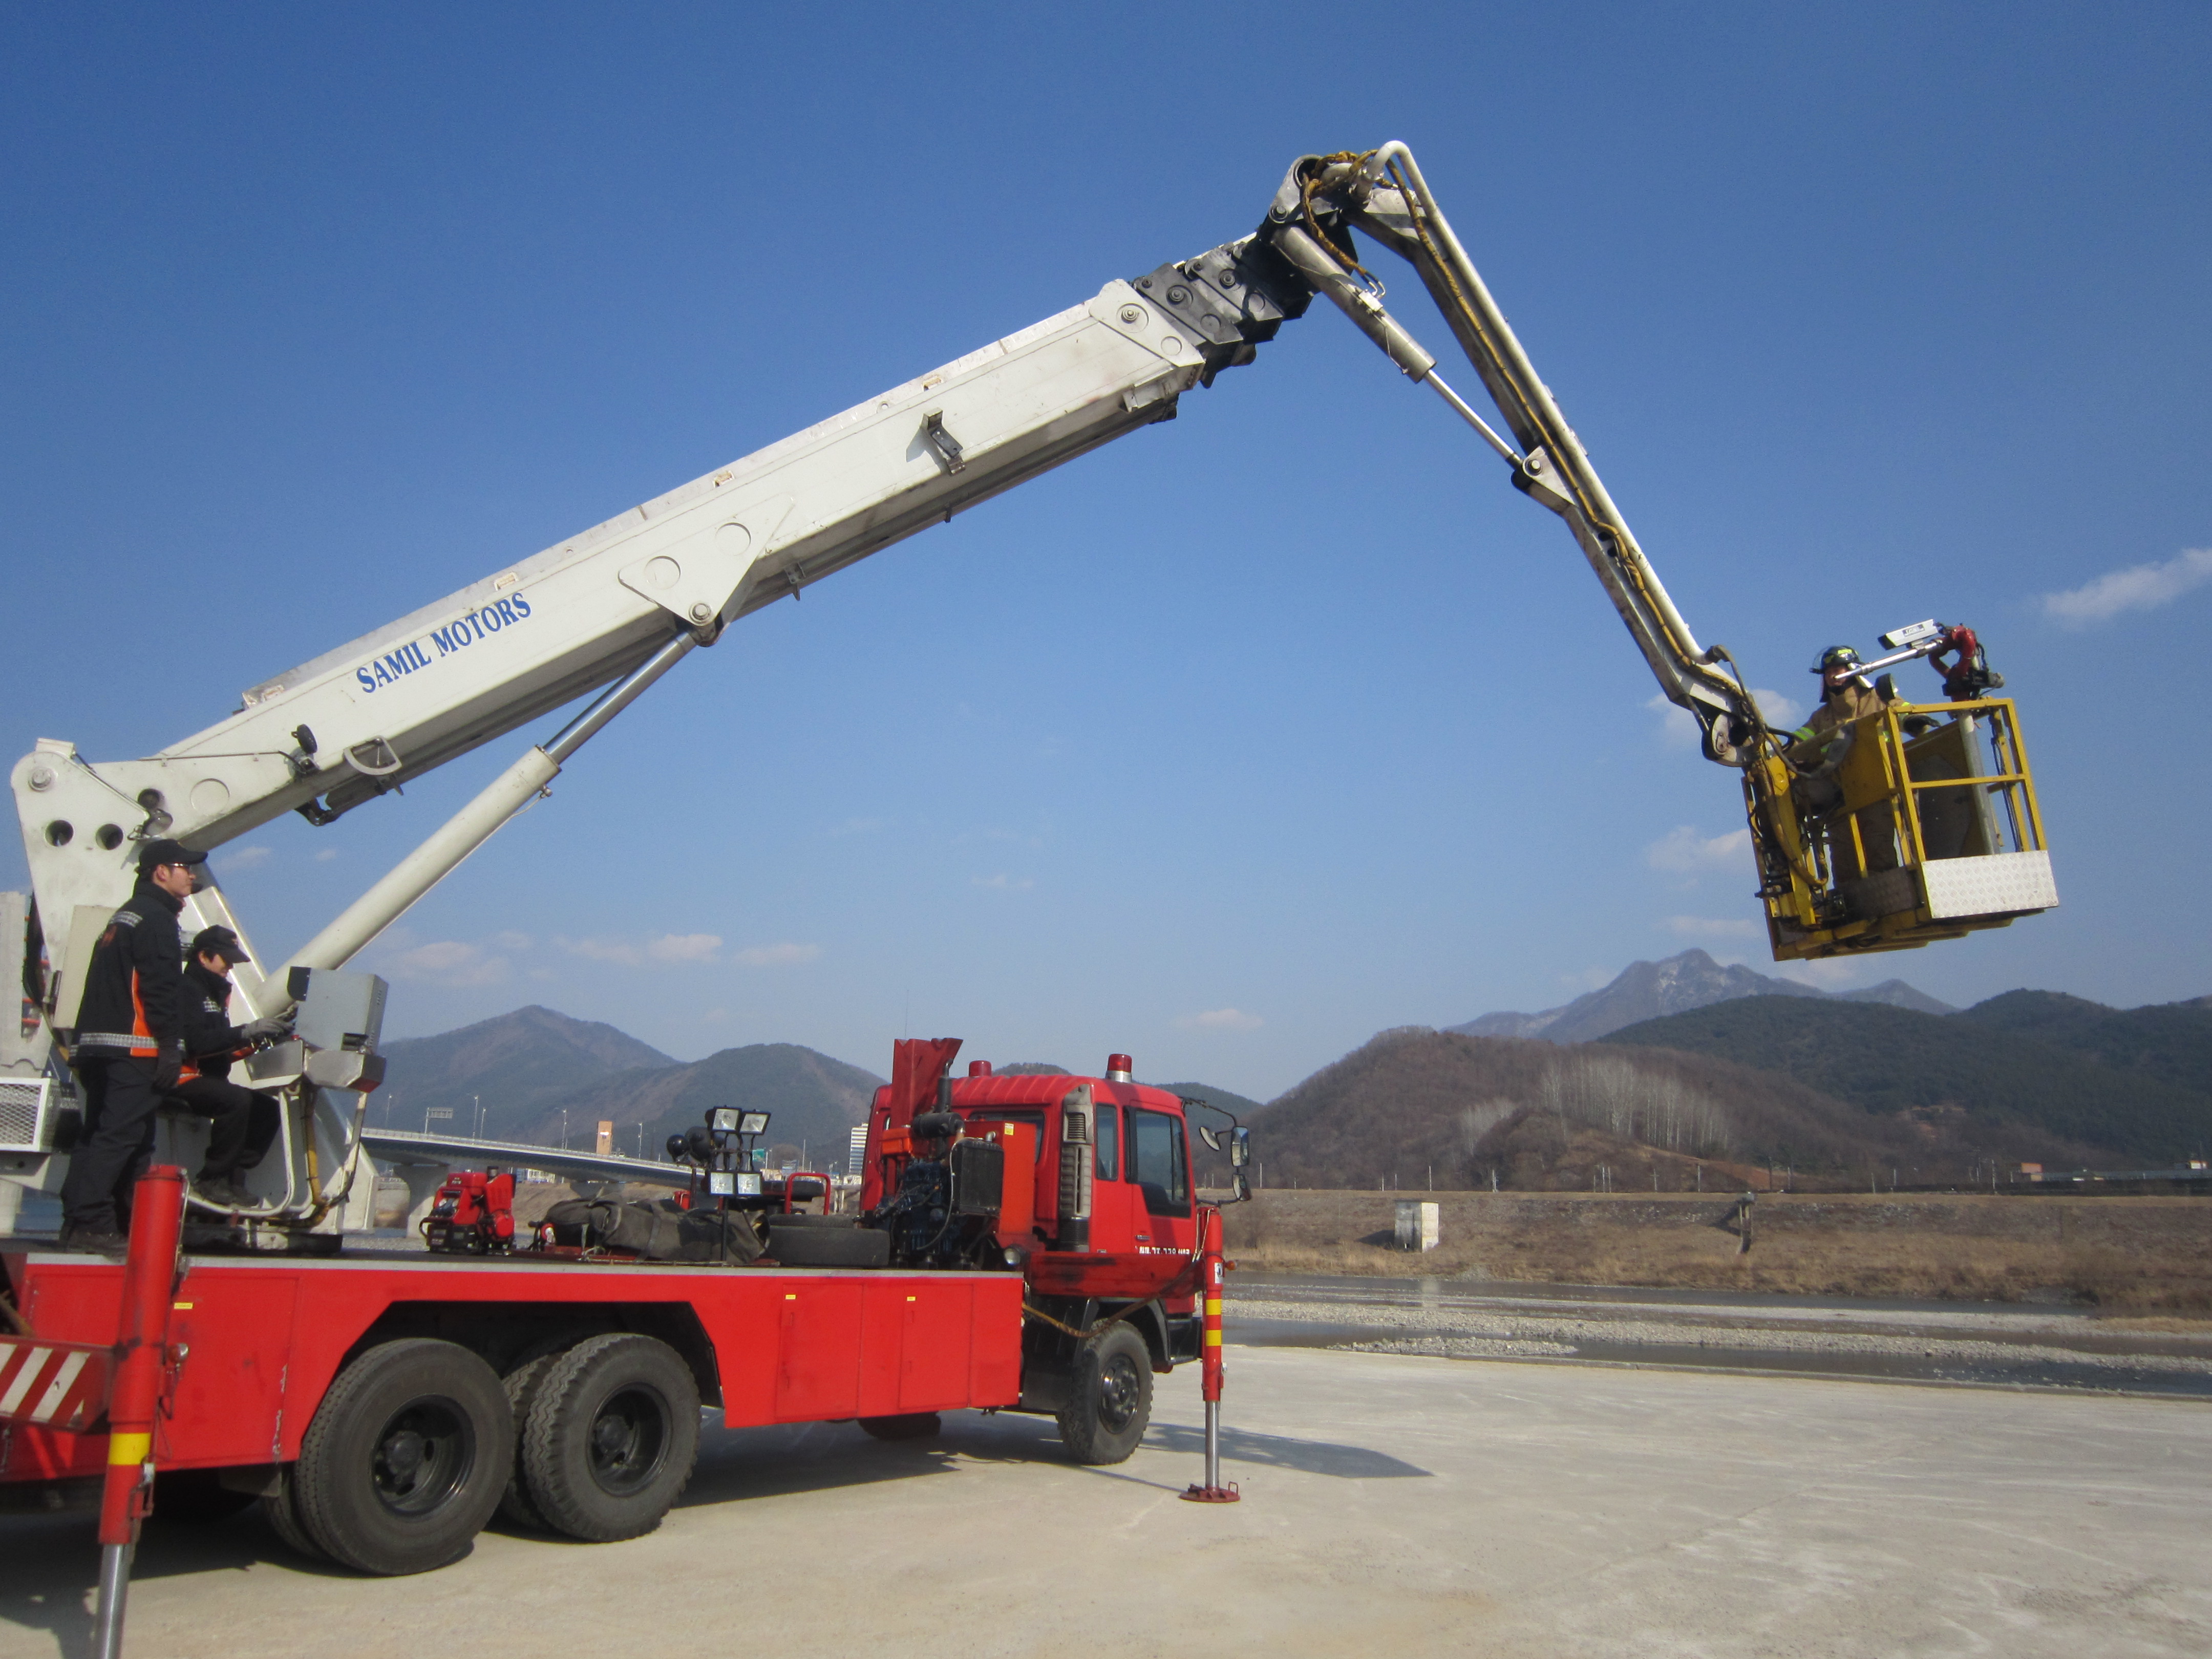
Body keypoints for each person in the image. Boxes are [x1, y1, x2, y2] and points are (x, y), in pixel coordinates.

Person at [58, 842, 285, 1250]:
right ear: (160, 872)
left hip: (100, 1048)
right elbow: (159, 989)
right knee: (122, 1140)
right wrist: (168, 1048)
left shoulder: (125, 917)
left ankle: (96, 1223)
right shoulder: (157, 919)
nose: (192, 875)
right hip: (134, 1052)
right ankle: (92, 1223)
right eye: (185, 867)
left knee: (101, 1137)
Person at [171, 925, 285, 1209]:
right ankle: (211, 1179)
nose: (230, 967)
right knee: (236, 1101)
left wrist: (254, 1040)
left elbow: (217, 1048)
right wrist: (243, 1032)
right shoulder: (186, 990)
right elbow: (196, 1043)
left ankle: (233, 1176)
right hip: (179, 1077)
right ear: (203, 956)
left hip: (205, 1076)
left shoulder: (214, 993)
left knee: (267, 1110)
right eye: (226, 959)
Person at [1785, 645, 1886, 760]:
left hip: (1883, 766)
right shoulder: (1821, 716)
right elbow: (1796, 743)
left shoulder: (1881, 698)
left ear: (1852, 670)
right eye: (1828, 673)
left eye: (1836, 670)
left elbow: (1902, 716)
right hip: (1837, 771)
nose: (1831, 676)